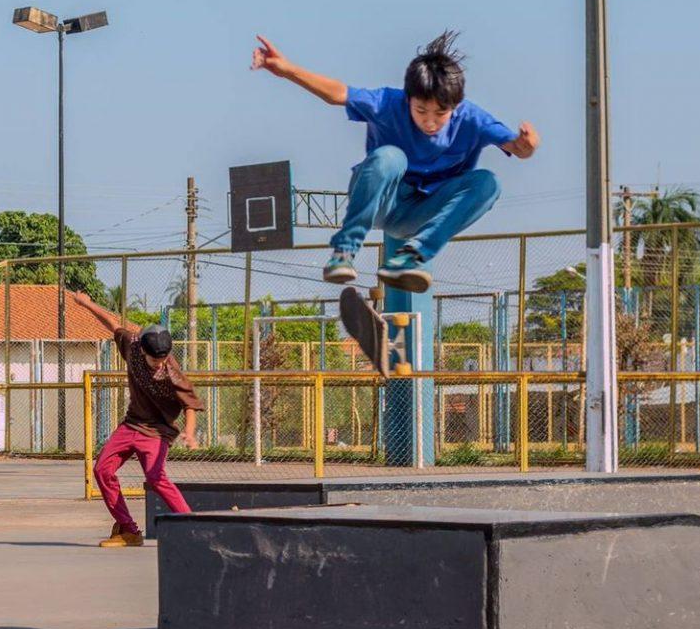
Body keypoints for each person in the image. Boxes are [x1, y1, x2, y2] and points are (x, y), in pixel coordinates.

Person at [251, 30, 539, 292]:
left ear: (455, 106)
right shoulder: (388, 103)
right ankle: (344, 251)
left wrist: (527, 145)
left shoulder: (473, 119)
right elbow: (338, 93)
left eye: (440, 114)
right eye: (421, 111)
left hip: (422, 213)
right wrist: (288, 70)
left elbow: (517, 147)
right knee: (391, 157)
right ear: (408, 99)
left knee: (488, 183)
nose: (430, 122)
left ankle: (412, 256)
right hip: (382, 201)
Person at [69, 290, 203, 548]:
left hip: (157, 432)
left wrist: (189, 432)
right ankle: (129, 530)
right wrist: (86, 304)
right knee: (102, 470)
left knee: (155, 477)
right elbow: (112, 323)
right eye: (154, 360)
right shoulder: (131, 345)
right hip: (131, 424)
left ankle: (192, 527)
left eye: (163, 359)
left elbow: (190, 404)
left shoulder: (173, 373)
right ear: (142, 350)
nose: (159, 364)